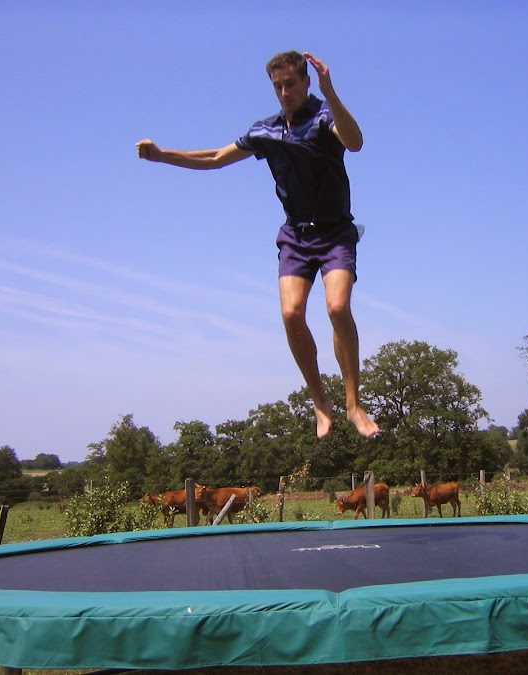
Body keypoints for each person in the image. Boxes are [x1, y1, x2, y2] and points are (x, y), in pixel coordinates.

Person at [136, 51, 379, 439]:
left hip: (335, 233)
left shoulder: (324, 118)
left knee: (337, 306)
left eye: (290, 84)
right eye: (277, 86)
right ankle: (321, 402)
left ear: (306, 82)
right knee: (291, 314)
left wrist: (331, 93)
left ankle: (353, 404)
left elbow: (356, 142)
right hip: (296, 236)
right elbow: (215, 157)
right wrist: (163, 156)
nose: (283, 92)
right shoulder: (265, 131)